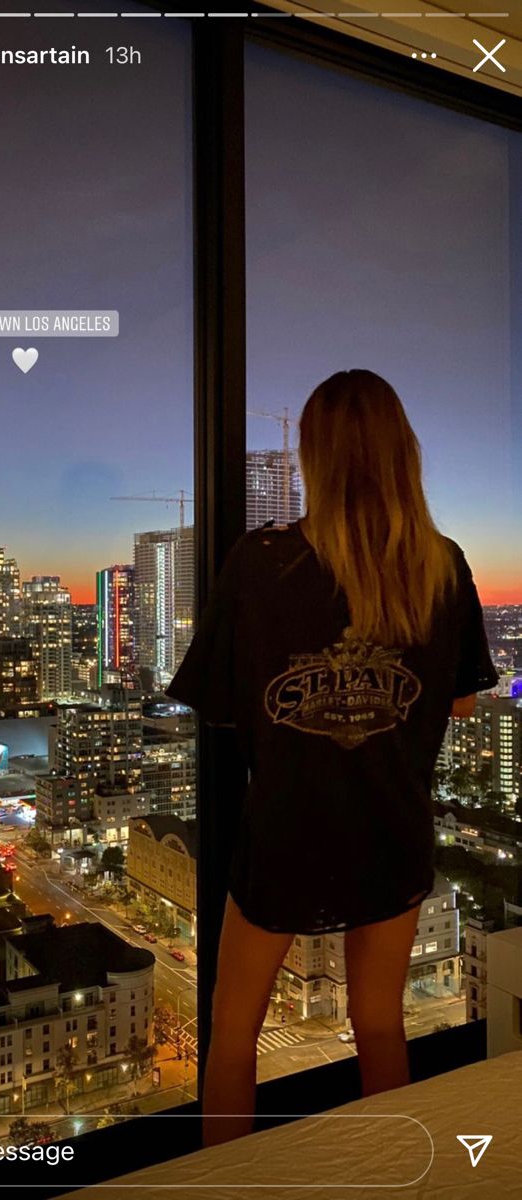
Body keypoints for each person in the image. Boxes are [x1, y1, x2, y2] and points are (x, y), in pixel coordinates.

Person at [164, 369, 499, 1148]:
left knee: (233, 1031)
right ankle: (395, 1177)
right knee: (380, 1023)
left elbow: (218, 699)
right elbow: (458, 700)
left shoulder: (261, 561)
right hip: (390, 826)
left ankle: (228, 1190)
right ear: (401, 454)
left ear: (311, 455)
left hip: (286, 832)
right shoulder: (440, 564)